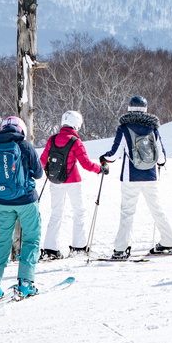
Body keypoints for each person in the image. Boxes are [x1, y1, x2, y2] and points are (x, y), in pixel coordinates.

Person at [100, 96, 172, 259]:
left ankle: (121, 248)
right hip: (151, 176)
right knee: (157, 209)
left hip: (130, 176)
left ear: (129, 108)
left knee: (127, 212)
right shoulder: (152, 128)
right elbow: (162, 158)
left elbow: (115, 154)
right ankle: (170, 241)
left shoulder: (124, 128)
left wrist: (104, 158)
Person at [0, 116, 44, 301]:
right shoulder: (25, 145)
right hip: (26, 201)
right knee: (31, 239)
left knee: (3, 241)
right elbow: (39, 173)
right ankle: (25, 283)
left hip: (3, 202)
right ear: (21, 129)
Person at [40, 110, 103, 260]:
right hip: (73, 181)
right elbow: (86, 164)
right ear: (77, 124)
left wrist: (51, 173)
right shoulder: (75, 141)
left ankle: (50, 249)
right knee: (78, 212)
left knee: (56, 213)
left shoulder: (52, 139)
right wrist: (100, 169)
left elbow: (43, 160)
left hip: (55, 182)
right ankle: (79, 247)